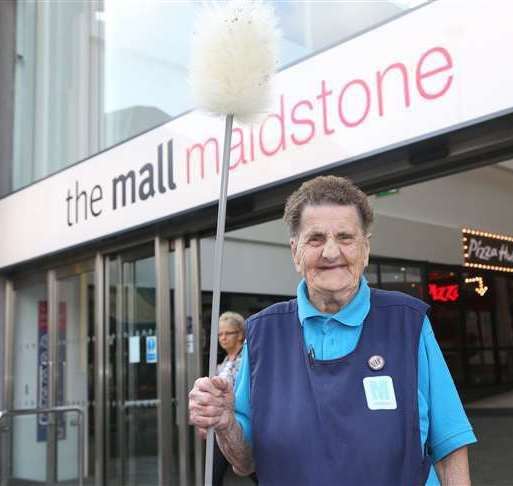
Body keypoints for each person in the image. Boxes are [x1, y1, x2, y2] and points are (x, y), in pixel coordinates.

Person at [189, 175, 476, 485]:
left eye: (345, 237)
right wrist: (225, 423)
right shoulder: (262, 334)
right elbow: (245, 462)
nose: (330, 252)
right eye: (315, 239)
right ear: (295, 251)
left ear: (365, 249)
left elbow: (451, 447)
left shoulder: (407, 322)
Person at [212, 311, 246, 486]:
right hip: (223, 424)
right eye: (220, 334)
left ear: (240, 334)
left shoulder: (247, 357)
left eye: (227, 333)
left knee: (257, 471)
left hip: (243, 423)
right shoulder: (225, 361)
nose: (223, 338)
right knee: (213, 474)